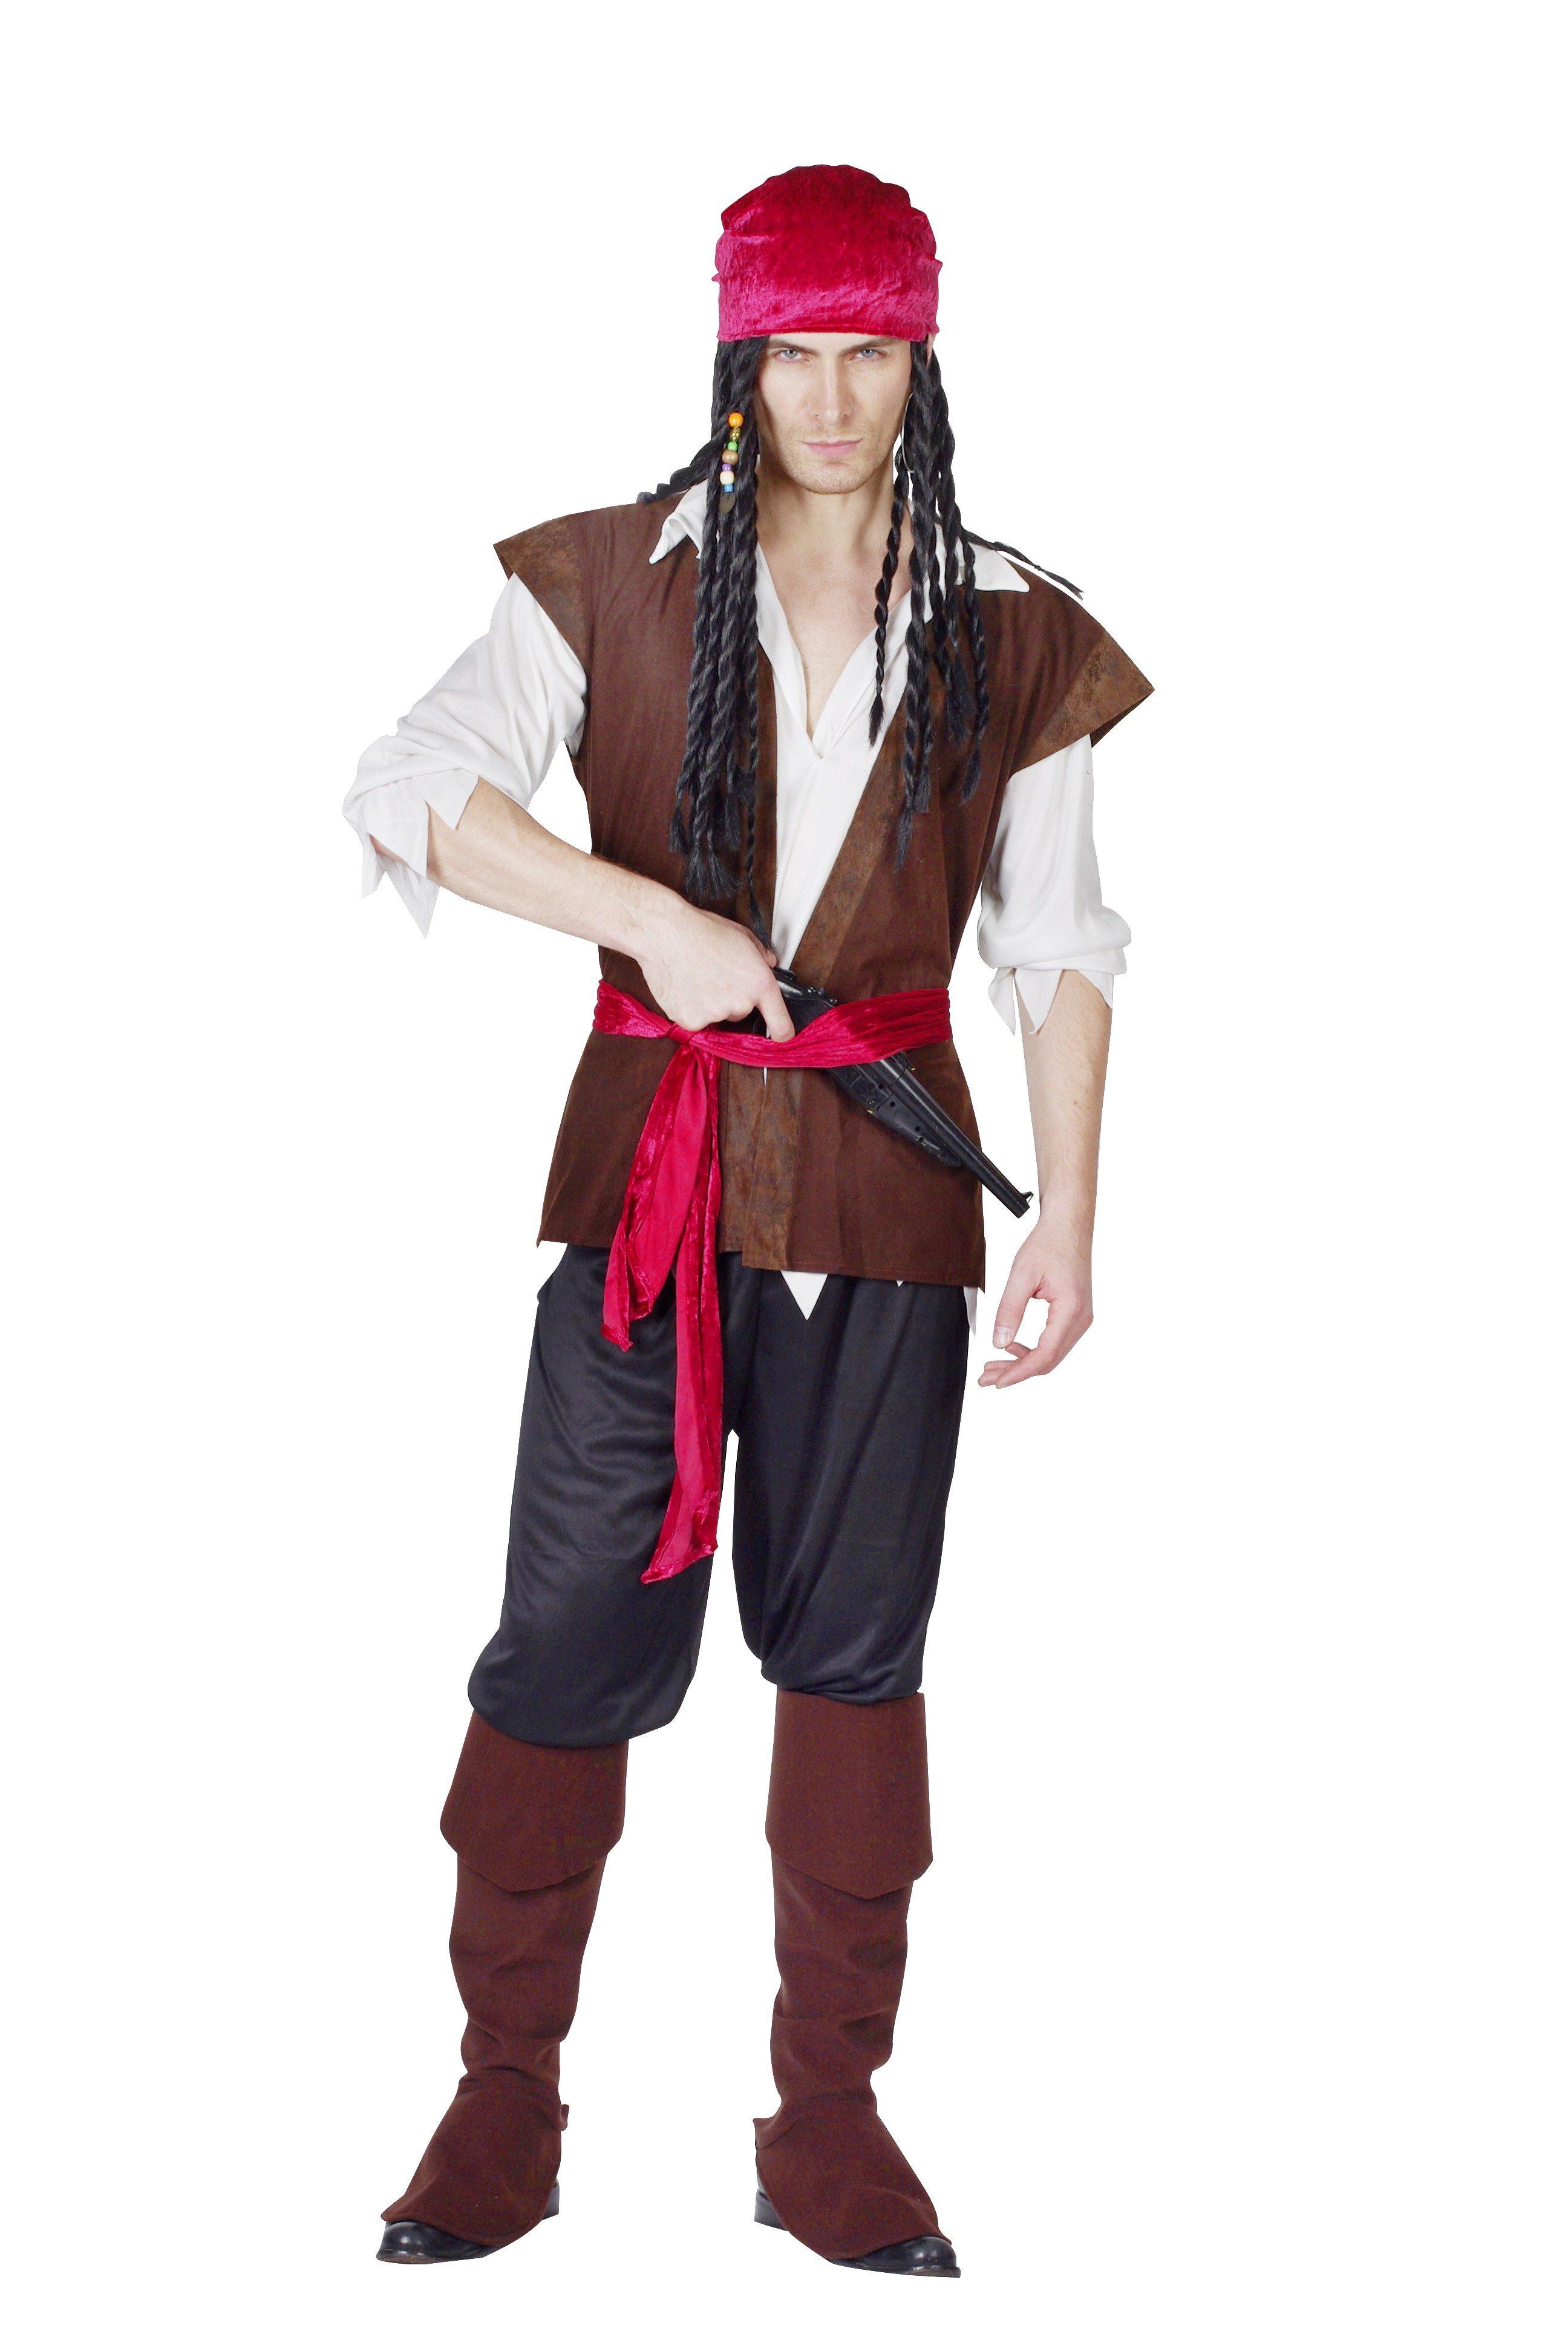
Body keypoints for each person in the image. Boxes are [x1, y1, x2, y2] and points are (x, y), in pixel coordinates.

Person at [345, 162, 1151, 2279]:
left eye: (870, 351)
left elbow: (1058, 947)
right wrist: (649, 922)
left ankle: (832, 2122)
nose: (831, 398)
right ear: (738, 356)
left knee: (859, 1660)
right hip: (650, 1187)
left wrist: (1073, 1211)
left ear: (923, 359)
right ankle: (503, 2094)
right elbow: (409, 788)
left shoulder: (1012, 626)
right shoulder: (606, 580)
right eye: (794, 351)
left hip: (889, 1200)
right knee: (563, 1645)